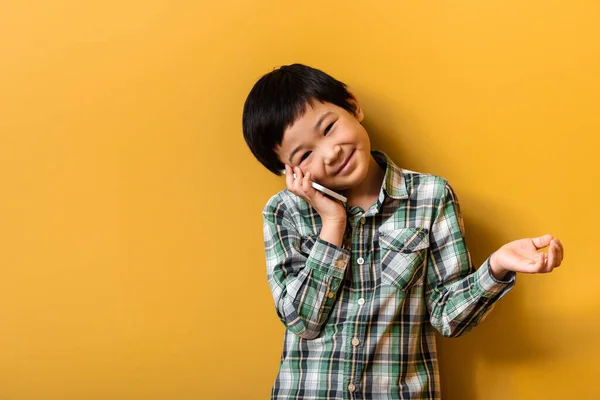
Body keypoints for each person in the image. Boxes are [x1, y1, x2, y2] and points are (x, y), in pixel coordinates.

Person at [241, 63, 564, 400]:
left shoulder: (430, 197)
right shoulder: (284, 212)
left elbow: (449, 318)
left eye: (329, 128)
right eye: (305, 154)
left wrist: (496, 268)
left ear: (352, 105)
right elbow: (302, 321)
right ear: (288, 171)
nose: (331, 152)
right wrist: (333, 224)